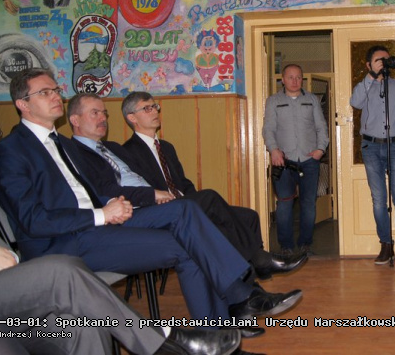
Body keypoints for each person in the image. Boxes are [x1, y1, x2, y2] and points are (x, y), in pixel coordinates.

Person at [0, 68, 302, 324]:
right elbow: (32, 220)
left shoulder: (64, 144)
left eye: (56, 90)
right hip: (61, 244)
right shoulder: (9, 152)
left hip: (99, 225)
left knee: (186, 216)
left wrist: (110, 206)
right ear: (22, 104)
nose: (56, 96)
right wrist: (102, 213)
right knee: (190, 241)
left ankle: (224, 333)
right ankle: (243, 298)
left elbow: (90, 191)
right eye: (45, 93)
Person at [68, 92, 306, 280]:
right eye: (147, 108)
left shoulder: (165, 147)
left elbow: (183, 183)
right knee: (210, 200)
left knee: (248, 216)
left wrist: (194, 200)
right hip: (160, 209)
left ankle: (251, 274)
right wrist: (184, 201)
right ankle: (258, 262)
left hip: (182, 201)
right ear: (132, 118)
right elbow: (131, 188)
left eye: (155, 107)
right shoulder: (127, 151)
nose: (155, 111)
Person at [0, 209, 242, 355]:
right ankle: (162, 342)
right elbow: (32, 218)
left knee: (85, 323)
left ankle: (235, 304)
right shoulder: (12, 151)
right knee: (62, 271)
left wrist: (2, 253)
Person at [350, 45, 395, 267]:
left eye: (386, 59)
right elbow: (355, 102)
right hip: (371, 147)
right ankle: (385, 245)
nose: (383, 63)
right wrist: (371, 77)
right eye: (378, 60)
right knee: (379, 199)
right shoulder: (365, 86)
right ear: (368, 65)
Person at [262, 64, 329, 256]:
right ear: (283, 80)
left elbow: (321, 126)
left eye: (298, 77)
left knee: (308, 204)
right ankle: (286, 246)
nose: (295, 81)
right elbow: (268, 129)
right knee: (284, 204)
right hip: (283, 161)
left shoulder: (312, 100)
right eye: (290, 77)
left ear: (302, 79)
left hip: (309, 160)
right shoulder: (273, 101)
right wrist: (274, 150)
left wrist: (321, 149)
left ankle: (305, 244)